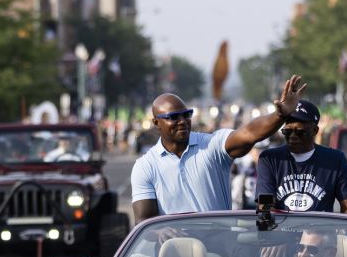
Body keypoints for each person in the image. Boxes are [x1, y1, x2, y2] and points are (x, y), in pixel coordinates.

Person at [130, 75, 307, 224]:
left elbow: (248, 133)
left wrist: (279, 115)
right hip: (172, 253)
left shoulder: (211, 145)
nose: (182, 121)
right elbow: (144, 221)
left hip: (219, 249)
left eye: (186, 114)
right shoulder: (145, 166)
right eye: (173, 117)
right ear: (156, 123)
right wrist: (160, 233)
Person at [256, 101, 347, 214]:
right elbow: (265, 209)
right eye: (287, 132)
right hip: (280, 231)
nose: (292, 137)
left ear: (315, 131)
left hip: (321, 230)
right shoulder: (270, 159)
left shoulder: (336, 159)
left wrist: (342, 230)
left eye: (300, 132)